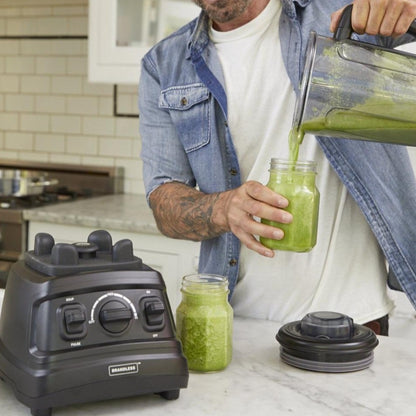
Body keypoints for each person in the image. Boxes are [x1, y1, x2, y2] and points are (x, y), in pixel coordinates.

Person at [138, 0, 416, 335]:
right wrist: (223, 208)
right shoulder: (165, 65)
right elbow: (163, 201)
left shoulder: (340, 14)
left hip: (357, 321)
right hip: (237, 328)